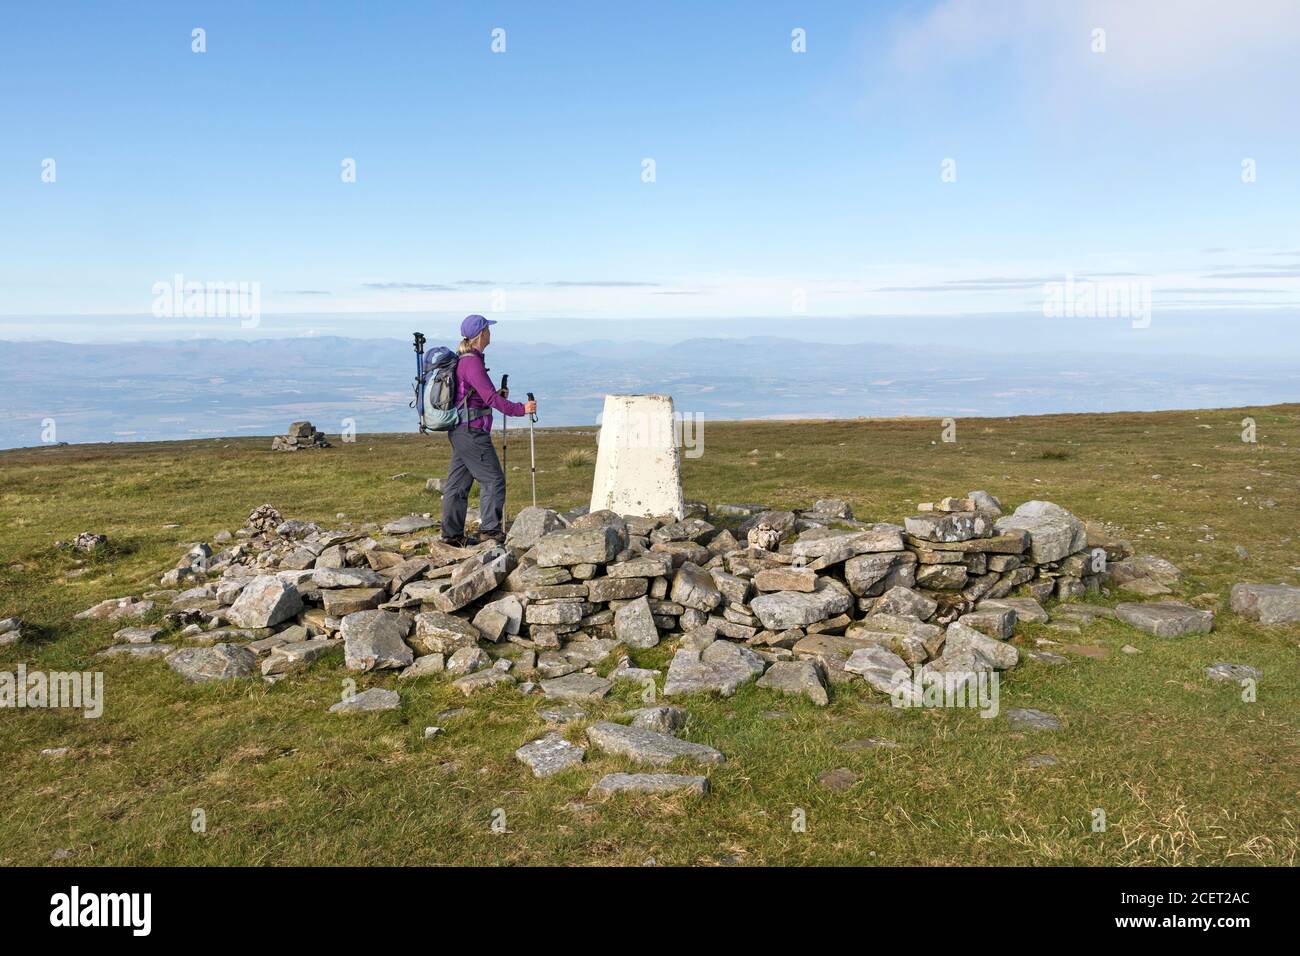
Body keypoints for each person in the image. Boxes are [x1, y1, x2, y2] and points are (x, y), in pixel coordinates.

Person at [440, 314, 537, 546]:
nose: (490, 333)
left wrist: (496, 398)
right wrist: (521, 409)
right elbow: (492, 399)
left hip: (460, 431)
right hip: (472, 433)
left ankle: (452, 536)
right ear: (481, 334)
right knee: (493, 480)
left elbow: (477, 397)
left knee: (457, 485)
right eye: (488, 329)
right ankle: (490, 532)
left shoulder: (466, 360)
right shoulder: (472, 362)